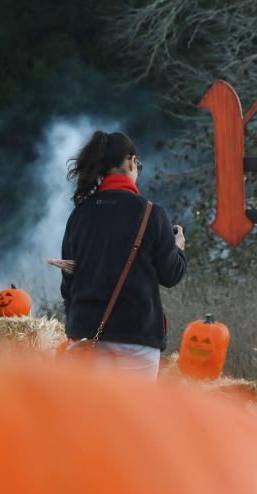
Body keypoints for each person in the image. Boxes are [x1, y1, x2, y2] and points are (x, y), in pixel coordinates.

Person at [60, 131, 187, 378]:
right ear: (131, 161)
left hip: (87, 335)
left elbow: (69, 278)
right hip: (136, 336)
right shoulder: (151, 214)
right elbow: (171, 275)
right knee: (131, 416)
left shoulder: (80, 215)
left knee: (87, 416)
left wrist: (76, 322)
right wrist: (178, 248)